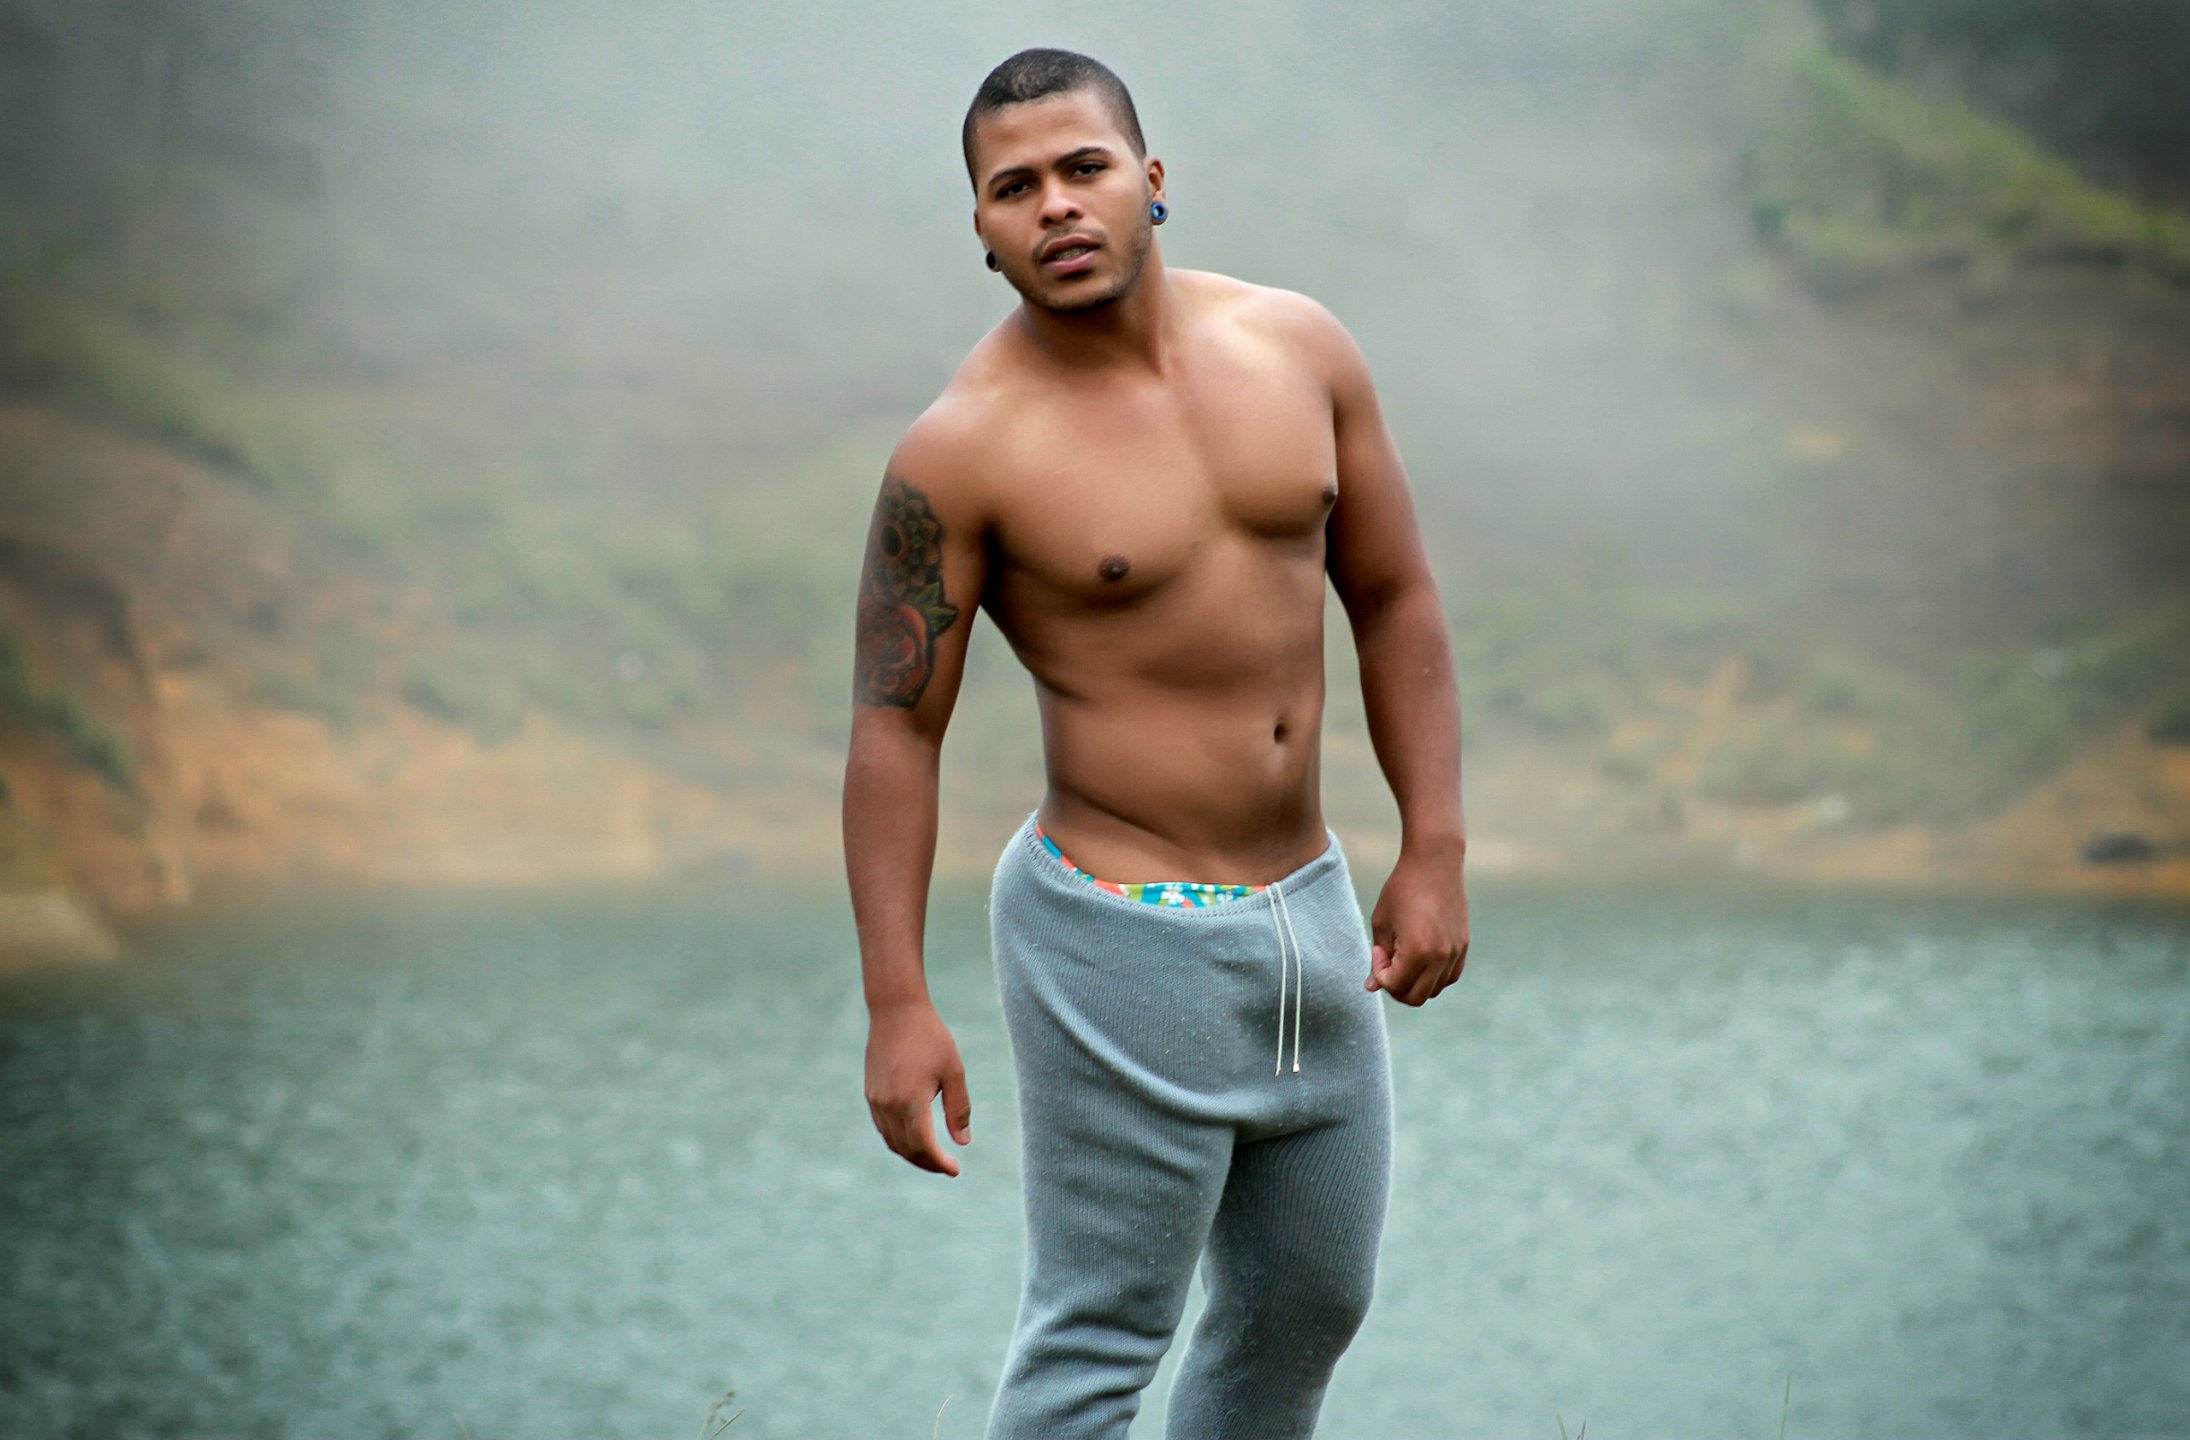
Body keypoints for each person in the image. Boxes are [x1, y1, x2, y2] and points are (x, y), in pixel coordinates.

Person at [841, 47, 1470, 1440]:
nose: (1056, 206)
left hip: (1308, 915)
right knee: (1100, 1340)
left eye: (1085, 168)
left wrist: (1434, 844)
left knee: (1307, 1305)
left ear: (1151, 179)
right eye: (1015, 188)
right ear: (982, 230)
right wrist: (897, 1001)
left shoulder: (1300, 349)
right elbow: (894, 729)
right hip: (1112, 933)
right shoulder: (964, 450)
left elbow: (1394, 596)